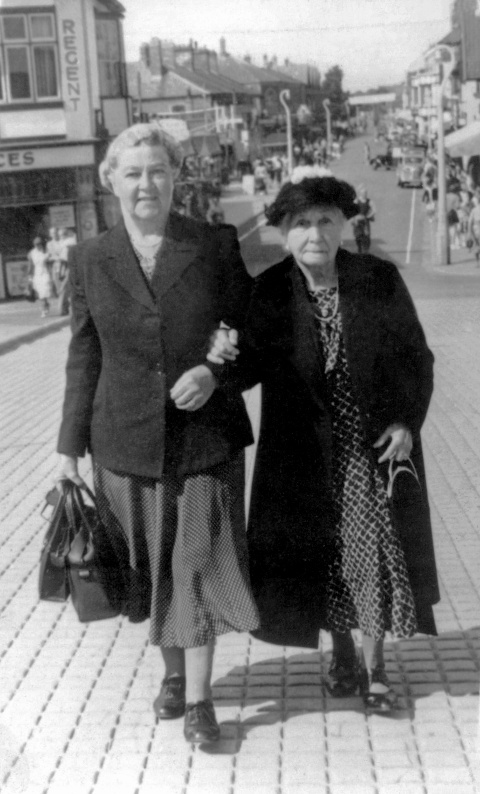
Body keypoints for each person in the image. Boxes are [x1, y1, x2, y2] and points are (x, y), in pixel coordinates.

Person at [56, 123, 259, 744]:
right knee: (151, 569)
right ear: (111, 180)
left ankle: (198, 700)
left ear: (176, 177)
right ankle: (173, 675)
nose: (147, 184)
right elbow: (84, 355)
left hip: (203, 440)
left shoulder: (213, 244)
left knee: (194, 563)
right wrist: (68, 449)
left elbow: (249, 330)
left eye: (158, 171)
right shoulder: (90, 258)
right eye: (134, 173)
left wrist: (214, 372)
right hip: (123, 443)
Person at [209, 173, 439, 713]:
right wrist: (220, 353)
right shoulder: (268, 292)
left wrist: (406, 421)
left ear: (344, 226)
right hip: (300, 458)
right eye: (301, 223)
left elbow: (416, 358)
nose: (315, 233)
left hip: (368, 449)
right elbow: (246, 375)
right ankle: (340, 653)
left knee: (371, 556)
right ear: (284, 233)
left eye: (326, 221)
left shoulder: (377, 279)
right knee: (325, 556)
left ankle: (376, 671)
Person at [27, 236, 53, 317]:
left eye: (39, 244)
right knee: (40, 293)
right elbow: (30, 265)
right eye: (36, 244)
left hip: (45, 273)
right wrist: (29, 276)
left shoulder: (47, 252)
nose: (38, 246)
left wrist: (51, 274)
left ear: (42, 244)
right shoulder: (31, 253)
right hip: (37, 274)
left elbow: (50, 264)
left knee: (45, 291)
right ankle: (44, 308)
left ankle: (45, 305)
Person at [351, 185, 376, 253]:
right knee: (358, 238)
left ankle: (365, 253)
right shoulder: (357, 201)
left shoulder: (369, 201)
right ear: (360, 193)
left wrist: (369, 216)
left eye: (366, 193)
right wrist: (354, 219)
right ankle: (360, 251)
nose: (365, 194)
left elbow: (374, 210)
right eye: (363, 193)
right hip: (357, 223)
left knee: (366, 238)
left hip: (365, 223)